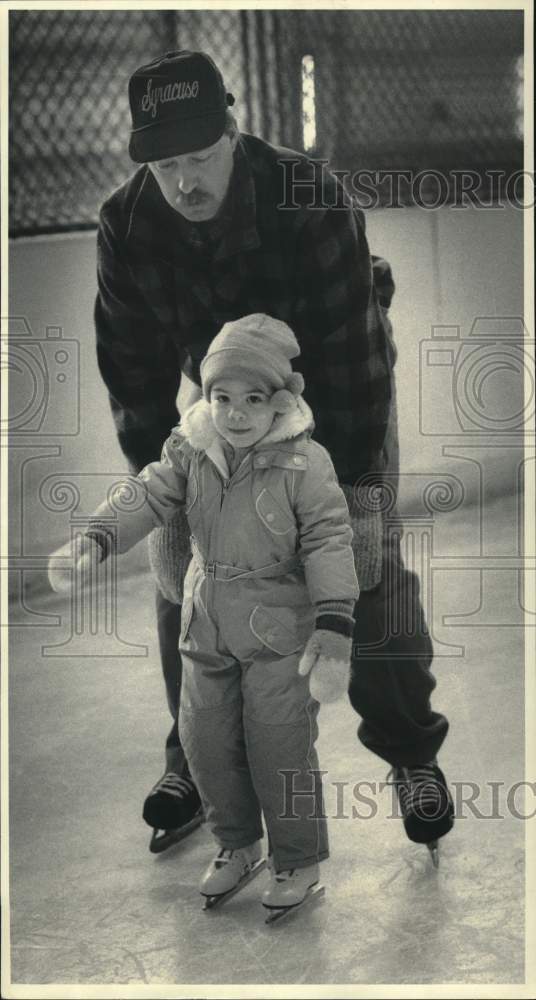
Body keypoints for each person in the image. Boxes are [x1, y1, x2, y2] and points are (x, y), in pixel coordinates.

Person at [93, 49, 454, 854]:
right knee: (189, 574)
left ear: (232, 134)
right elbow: (132, 370)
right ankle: (194, 760)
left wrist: (353, 496)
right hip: (221, 392)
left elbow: (354, 362)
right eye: (164, 165)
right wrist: (165, 496)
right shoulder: (127, 222)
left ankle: (412, 755)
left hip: (335, 374)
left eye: (199, 158)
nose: (183, 182)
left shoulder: (307, 195)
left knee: (364, 565)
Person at [49, 314, 360, 915]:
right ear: (207, 398)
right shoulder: (190, 450)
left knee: (279, 744)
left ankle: (298, 857)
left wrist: (333, 624)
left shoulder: (305, 462)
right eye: (222, 397)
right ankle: (237, 844)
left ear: (279, 401)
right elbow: (146, 493)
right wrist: (96, 538)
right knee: (206, 740)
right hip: (206, 619)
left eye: (252, 399)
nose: (235, 413)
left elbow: (328, 539)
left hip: (278, 626)